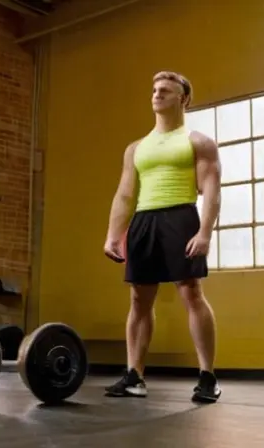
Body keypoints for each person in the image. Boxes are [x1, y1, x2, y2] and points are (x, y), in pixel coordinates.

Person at [102, 71, 222, 404]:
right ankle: (134, 376)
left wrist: (205, 232)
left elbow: (211, 190)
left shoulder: (197, 141)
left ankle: (207, 376)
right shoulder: (136, 148)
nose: (157, 94)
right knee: (139, 300)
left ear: (183, 99)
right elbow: (125, 193)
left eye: (166, 91)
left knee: (191, 293)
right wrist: (114, 234)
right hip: (144, 221)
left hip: (180, 216)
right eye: (154, 89)